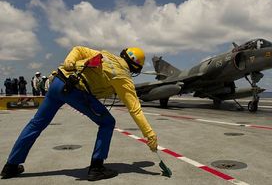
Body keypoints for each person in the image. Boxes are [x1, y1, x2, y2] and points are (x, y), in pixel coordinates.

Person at [1, 46, 158, 181]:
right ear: (135, 68)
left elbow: (78, 49)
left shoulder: (105, 55)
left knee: (37, 123)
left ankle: (11, 166)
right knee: (107, 122)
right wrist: (150, 135)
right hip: (75, 91)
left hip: (58, 81)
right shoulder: (123, 77)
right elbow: (135, 109)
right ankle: (96, 168)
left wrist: (70, 61)